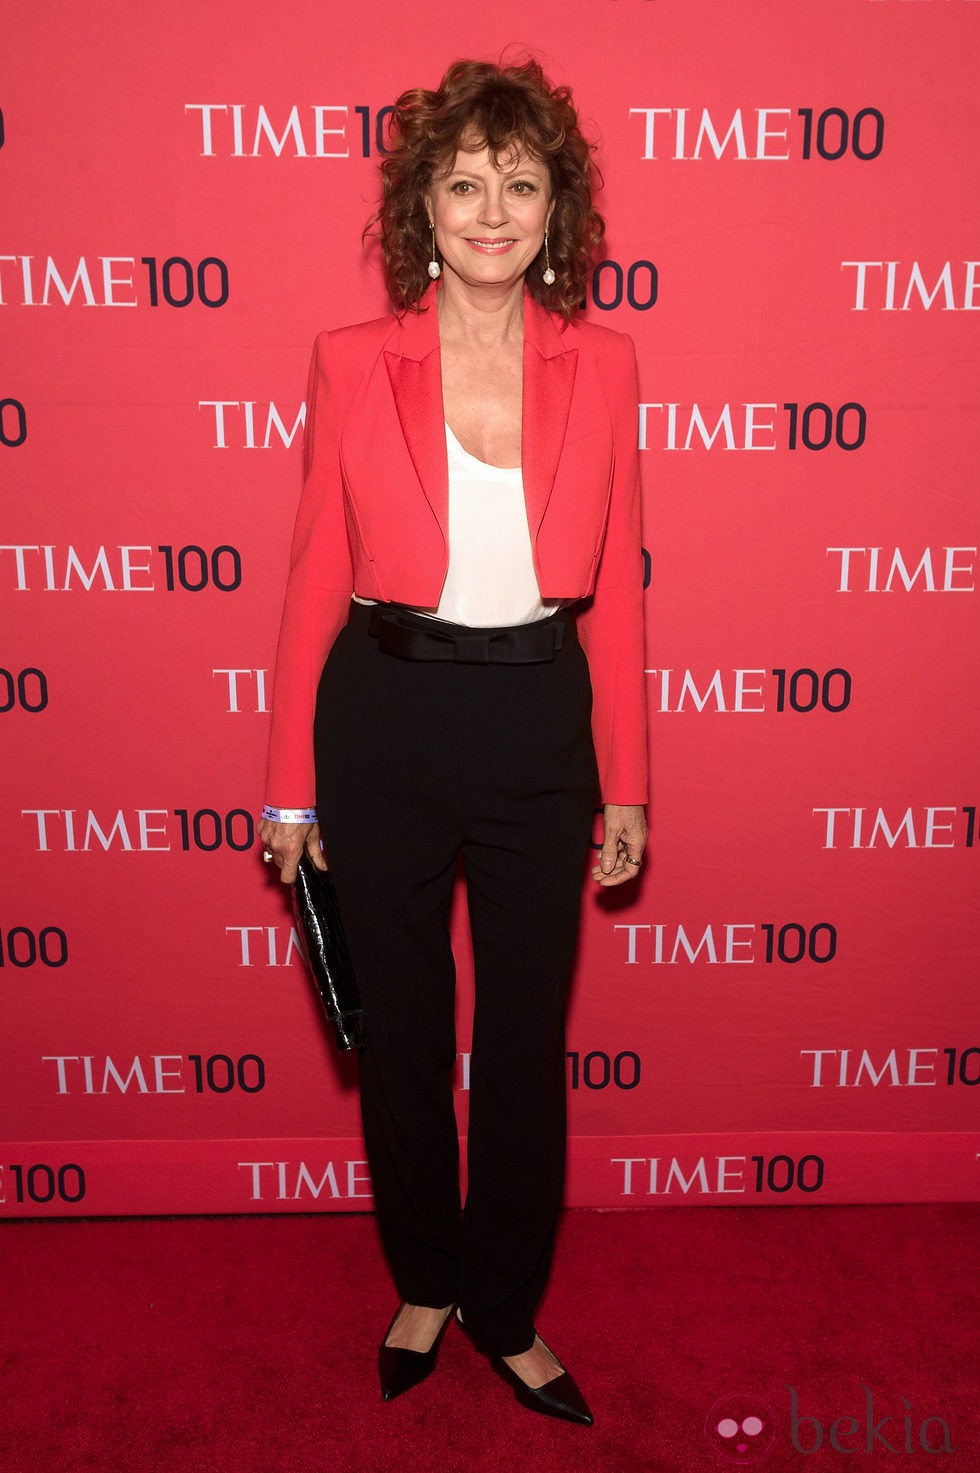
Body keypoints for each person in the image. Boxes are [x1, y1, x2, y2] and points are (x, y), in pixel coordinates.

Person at [258, 57, 648, 1426]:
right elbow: (314, 574)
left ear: (560, 209)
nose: (494, 209)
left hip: (541, 721)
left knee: (527, 1038)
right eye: (466, 182)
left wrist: (629, 780)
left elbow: (621, 596)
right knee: (409, 1030)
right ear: (423, 204)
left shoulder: (604, 364)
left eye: (522, 183)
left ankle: (507, 1301)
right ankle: (424, 1276)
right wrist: (289, 786)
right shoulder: (351, 360)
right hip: (387, 717)